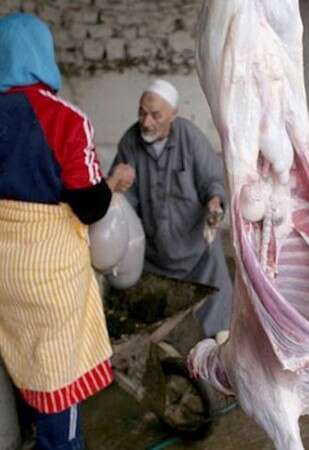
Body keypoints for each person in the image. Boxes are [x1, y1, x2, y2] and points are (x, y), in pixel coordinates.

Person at [0, 13, 134, 449]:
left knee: (23, 352)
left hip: (4, 272)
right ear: (43, 55)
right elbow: (91, 206)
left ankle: (31, 430)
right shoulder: (63, 118)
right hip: (49, 272)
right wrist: (110, 186)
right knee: (59, 369)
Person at [110, 79, 232, 339]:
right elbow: (124, 201)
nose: (146, 122)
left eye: (155, 115)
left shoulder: (189, 137)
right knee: (154, 322)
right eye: (142, 112)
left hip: (197, 252)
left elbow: (213, 180)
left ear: (173, 115)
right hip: (154, 256)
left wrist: (214, 201)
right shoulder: (130, 142)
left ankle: (215, 352)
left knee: (217, 326)